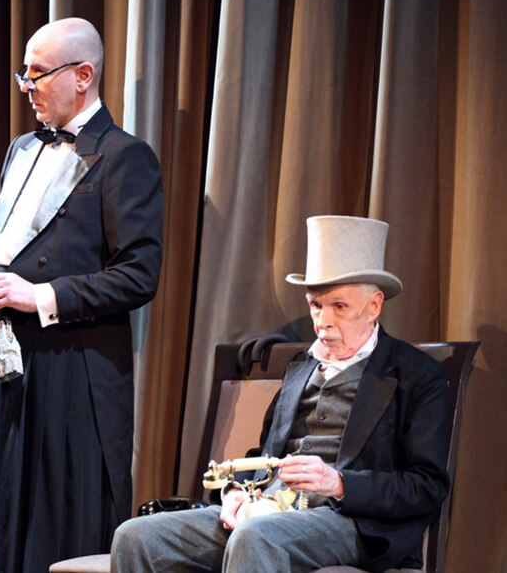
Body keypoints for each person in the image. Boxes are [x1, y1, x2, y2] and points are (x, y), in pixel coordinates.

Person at [112, 215, 451, 572]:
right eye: (316, 305)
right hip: (270, 510)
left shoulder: (415, 374)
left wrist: (339, 483)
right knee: (135, 536)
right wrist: (235, 492)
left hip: (352, 521)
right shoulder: (300, 368)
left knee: (256, 537)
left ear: (374, 306)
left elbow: (426, 486)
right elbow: (264, 455)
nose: (323, 321)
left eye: (339, 307)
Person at [0, 17, 163, 571]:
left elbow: (139, 274)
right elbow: (1, 242)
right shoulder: (21, 148)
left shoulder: (124, 155)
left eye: (39, 73)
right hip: (10, 361)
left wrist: (42, 295)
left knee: (61, 518)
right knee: (5, 514)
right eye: (23, 72)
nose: (26, 85)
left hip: (74, 364)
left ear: (83, 75)